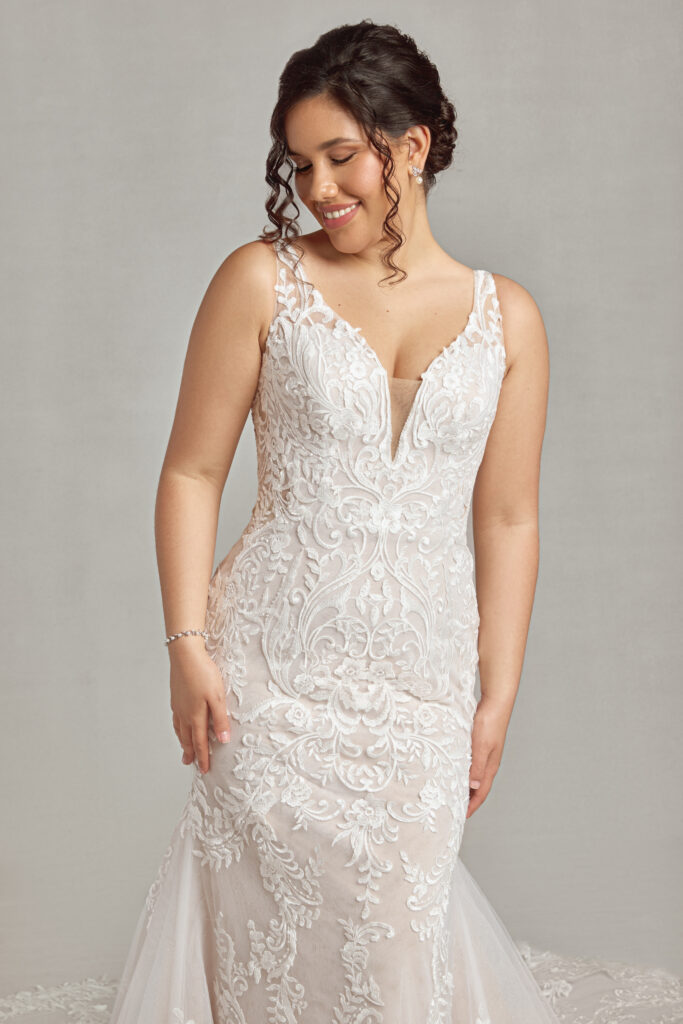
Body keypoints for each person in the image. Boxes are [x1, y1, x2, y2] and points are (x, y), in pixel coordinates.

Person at [110, 19, 556, 1023]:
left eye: (340, 157)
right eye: (299, 164)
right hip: (268, 669)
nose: (316, 189)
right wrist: (187, 645)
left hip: (420, 686)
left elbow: (510, 516)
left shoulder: (509, 318)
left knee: (394, 936)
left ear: (412, 144)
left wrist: (499, 691)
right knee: (270, 932)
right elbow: (189, 470)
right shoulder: (260, 280)